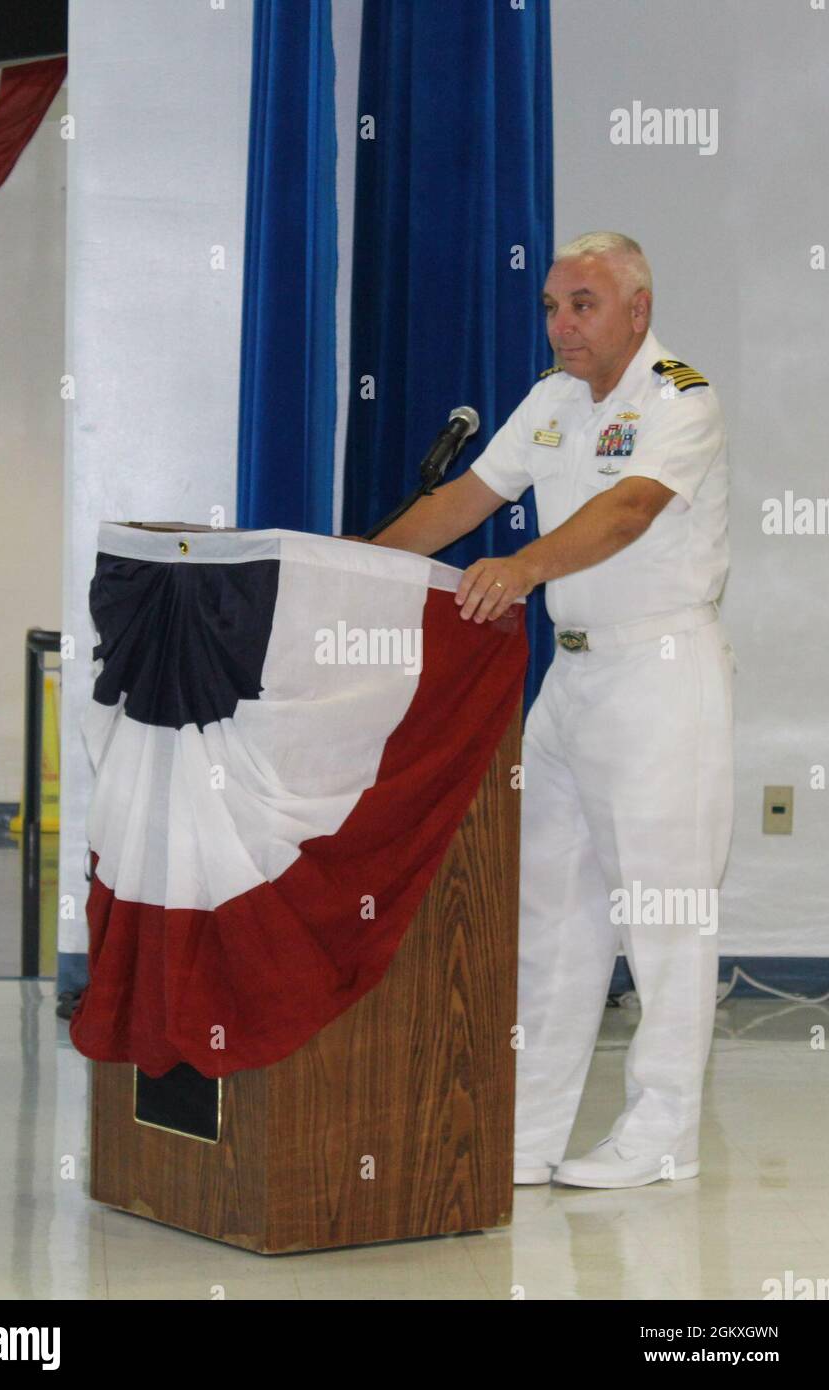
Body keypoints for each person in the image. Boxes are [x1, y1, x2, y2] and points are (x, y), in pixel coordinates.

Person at [365, 231, 735, 1189]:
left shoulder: (679, 397)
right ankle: (526, 1131)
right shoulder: (554, 400)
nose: (562, 325)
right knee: (552, 913)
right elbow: (461, 502)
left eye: (583, 305)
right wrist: (353, 573)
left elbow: (629, 511)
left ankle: (664, 1134)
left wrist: (523, 568)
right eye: (552, 307)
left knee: (664, 912)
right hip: (568, 682)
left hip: (659, 672)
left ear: (637, 311)